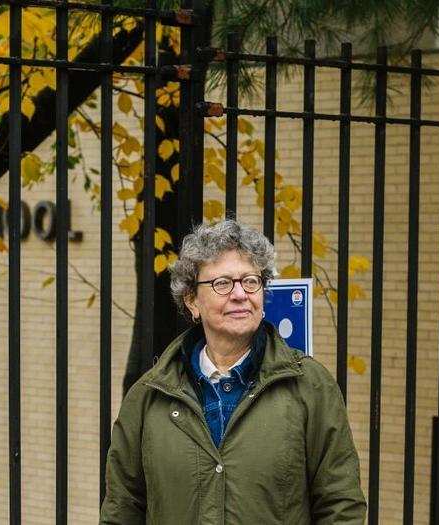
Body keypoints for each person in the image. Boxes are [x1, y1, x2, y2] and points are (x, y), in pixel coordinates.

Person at [100, 219, 366, 524]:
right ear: (192, 301)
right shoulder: (149, 396)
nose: (240, 294)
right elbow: (122, 509)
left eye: (251, 281)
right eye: (222, 283)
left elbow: (341, 505)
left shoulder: (310, 386)